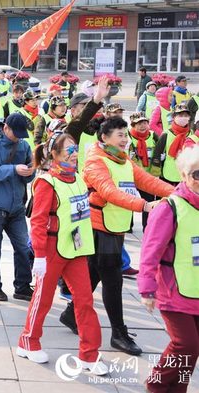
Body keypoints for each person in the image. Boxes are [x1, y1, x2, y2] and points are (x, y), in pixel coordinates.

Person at [59, 117, 174, 356]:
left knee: (93, 275)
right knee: (113, 281)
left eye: (125, 134)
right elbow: (108, 192)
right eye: (120, 135)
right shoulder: (95, 160)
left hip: (115, 226)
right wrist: (144, 206)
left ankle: (71, 314)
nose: (125, 139)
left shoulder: (122, 160)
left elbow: (148, 181)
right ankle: (118, 334)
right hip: (99, 228)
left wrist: (180, 193)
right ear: (104, 137)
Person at [16, 132, 108, 376]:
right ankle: (28, 341)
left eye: (75, 148)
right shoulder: (46, 182)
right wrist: (39, 255)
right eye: (69, 150)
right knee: (42, 299)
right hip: (52, 251)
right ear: (54, 155)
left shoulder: (78, 178)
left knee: (85, 301)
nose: (74, 153)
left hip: (76, 250)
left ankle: (89, 354)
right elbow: (38, 221)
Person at [138, 145, 199, 392]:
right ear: (183, 176)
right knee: (185, 344)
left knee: (194, 349)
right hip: (173, 292)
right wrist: (146, 290)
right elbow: (150, 251)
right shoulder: (169, 208)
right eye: (196, 174)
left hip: (196, 288)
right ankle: (156, 384)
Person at [0, 113, 35, 302]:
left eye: (22, 134)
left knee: (23, 247)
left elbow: (28, 176)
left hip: (17, 206)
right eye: (16, 134)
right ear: (5, 128)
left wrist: (30, 171)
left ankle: (22, 286)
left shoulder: (24, 145)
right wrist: (13, 169)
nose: (19, 138)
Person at [151, 104, 199, 185]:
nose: (183, 118)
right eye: (180, 115)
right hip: (168, 172)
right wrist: (156, 168)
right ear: (174, 117)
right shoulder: (166, 134)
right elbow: (157, 153)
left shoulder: (191, 133)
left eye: (186, 115)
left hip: (186, 173)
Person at [128, 112, 158, 231]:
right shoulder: (128, 136)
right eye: (139, 123)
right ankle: (128, 226)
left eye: (145, 122)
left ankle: (147, 226)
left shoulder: (153, 135)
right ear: (133, 125)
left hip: (147, 177)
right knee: (129, 201)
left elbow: (160, 150)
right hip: (132, 176)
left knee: (149, 202)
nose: (143, 126)